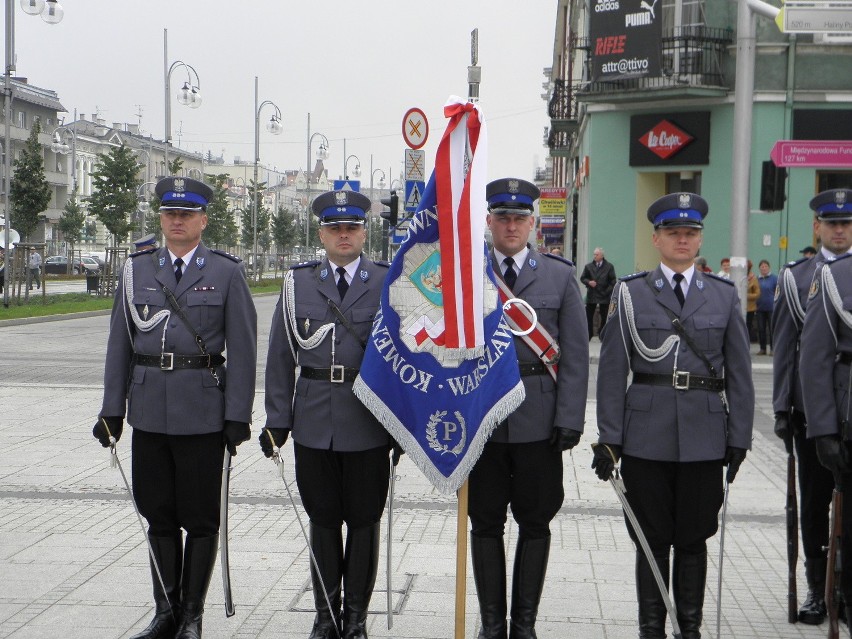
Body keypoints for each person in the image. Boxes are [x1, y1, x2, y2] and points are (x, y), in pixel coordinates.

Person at [93, 176, 257, 639]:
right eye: (170, 214)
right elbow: (119, 344)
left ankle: (192, 615)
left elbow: (243, 351)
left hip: (202, 413)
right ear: (161, 219)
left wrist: (237, 416)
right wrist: (112, 409)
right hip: (148, 411)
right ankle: (165, 612)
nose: (178, 221)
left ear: (203, 220)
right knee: (158, 513)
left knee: (201, 517)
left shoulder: (225, 272)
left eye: (187, 214)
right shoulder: (136, 271)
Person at [592, 192, 753, 639]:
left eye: (691, 233)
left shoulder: (721, 297)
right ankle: (651, 628)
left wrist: (739, 436)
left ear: (699, 239)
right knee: (650, 538)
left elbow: (739, 374)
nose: (683, 240)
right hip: (646, 434)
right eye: (674, 232)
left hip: (704, 434)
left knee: (695, 535)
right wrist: (610, 438)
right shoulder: (631, 293)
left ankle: (691, 628)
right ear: (657, 238)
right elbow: (611, 373)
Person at [260, 189, 392, 639]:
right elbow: (281, 356)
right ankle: (325, 616)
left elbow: (408, 358)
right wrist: (278, 419)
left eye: (352, 227)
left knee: (363, 519)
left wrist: (403, 425)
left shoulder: (387, 282)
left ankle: (355, 617)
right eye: (335, 227)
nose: (343, 234)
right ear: (321, 233)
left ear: (364, 232)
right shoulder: (298, 283)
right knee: (322, 518)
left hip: (369, 420)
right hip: (314, 419)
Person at [468, 178, 588, 639]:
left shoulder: (558, 275)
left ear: (532, 223)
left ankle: (524, 626)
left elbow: (575, 355)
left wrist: (570, 419)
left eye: (520, 217)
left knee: (535, 522)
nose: (511, 225)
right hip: (483, 420)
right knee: (485, 523)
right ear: (489, 222)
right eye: (503, 217)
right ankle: (492, 625)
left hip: (540, 420)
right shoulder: (466, 275)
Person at [777, 187, 852, 625]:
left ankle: (844, 587)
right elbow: (788, 348)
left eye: (846, 223)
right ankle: (816, 587)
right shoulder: (797, 276)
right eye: (832, 223)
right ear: (817, 227)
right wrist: (783, 408)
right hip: (813, 411)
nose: (840, 229)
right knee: (814, 503)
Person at [580, 247, 616, 340]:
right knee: (589, 316)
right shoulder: (589, 266)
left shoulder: (609, 267)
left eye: (597, 254)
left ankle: (602, 334)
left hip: (604, 295)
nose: (594, 256)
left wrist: (607, 291)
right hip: (592, 294)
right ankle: (589, 334)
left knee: (604, 316)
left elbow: (613, 281)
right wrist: (589, 282)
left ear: (602, 256)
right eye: (594, 254)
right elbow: (583, 278)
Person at [756, 259, 777, 355]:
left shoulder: (774, 278)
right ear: (759, 268)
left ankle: (773, 349)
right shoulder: (757, 279)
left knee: (772, 329)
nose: (764, 268)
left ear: (769, 268)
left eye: (765, 266)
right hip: (760, 308)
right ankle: (762, 348)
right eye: (762, 267)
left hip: (771, 308)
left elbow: (778, 292)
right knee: (761, 329)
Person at [746, 260, 759, 342]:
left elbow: (757, 294)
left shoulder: (753, 279)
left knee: (747, 327)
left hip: (749, 308)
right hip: (737, 307)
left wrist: (746, 296)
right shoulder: (736, 276)